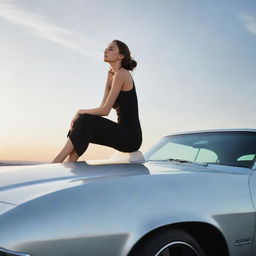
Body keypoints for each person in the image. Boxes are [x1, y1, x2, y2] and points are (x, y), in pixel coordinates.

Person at [51, 39, 142, 163]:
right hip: (122, 133)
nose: (106, 50)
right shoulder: (111, 75)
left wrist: (79, 112)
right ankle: (70, 164)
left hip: (131, 138)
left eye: (111, 49)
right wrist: (81, 115)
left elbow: (105, 111)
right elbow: (102, 108)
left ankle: (56, 162)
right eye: (106, 48)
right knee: (84, 123)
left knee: (85, 119)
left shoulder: (122, 74)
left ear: (121, 56)